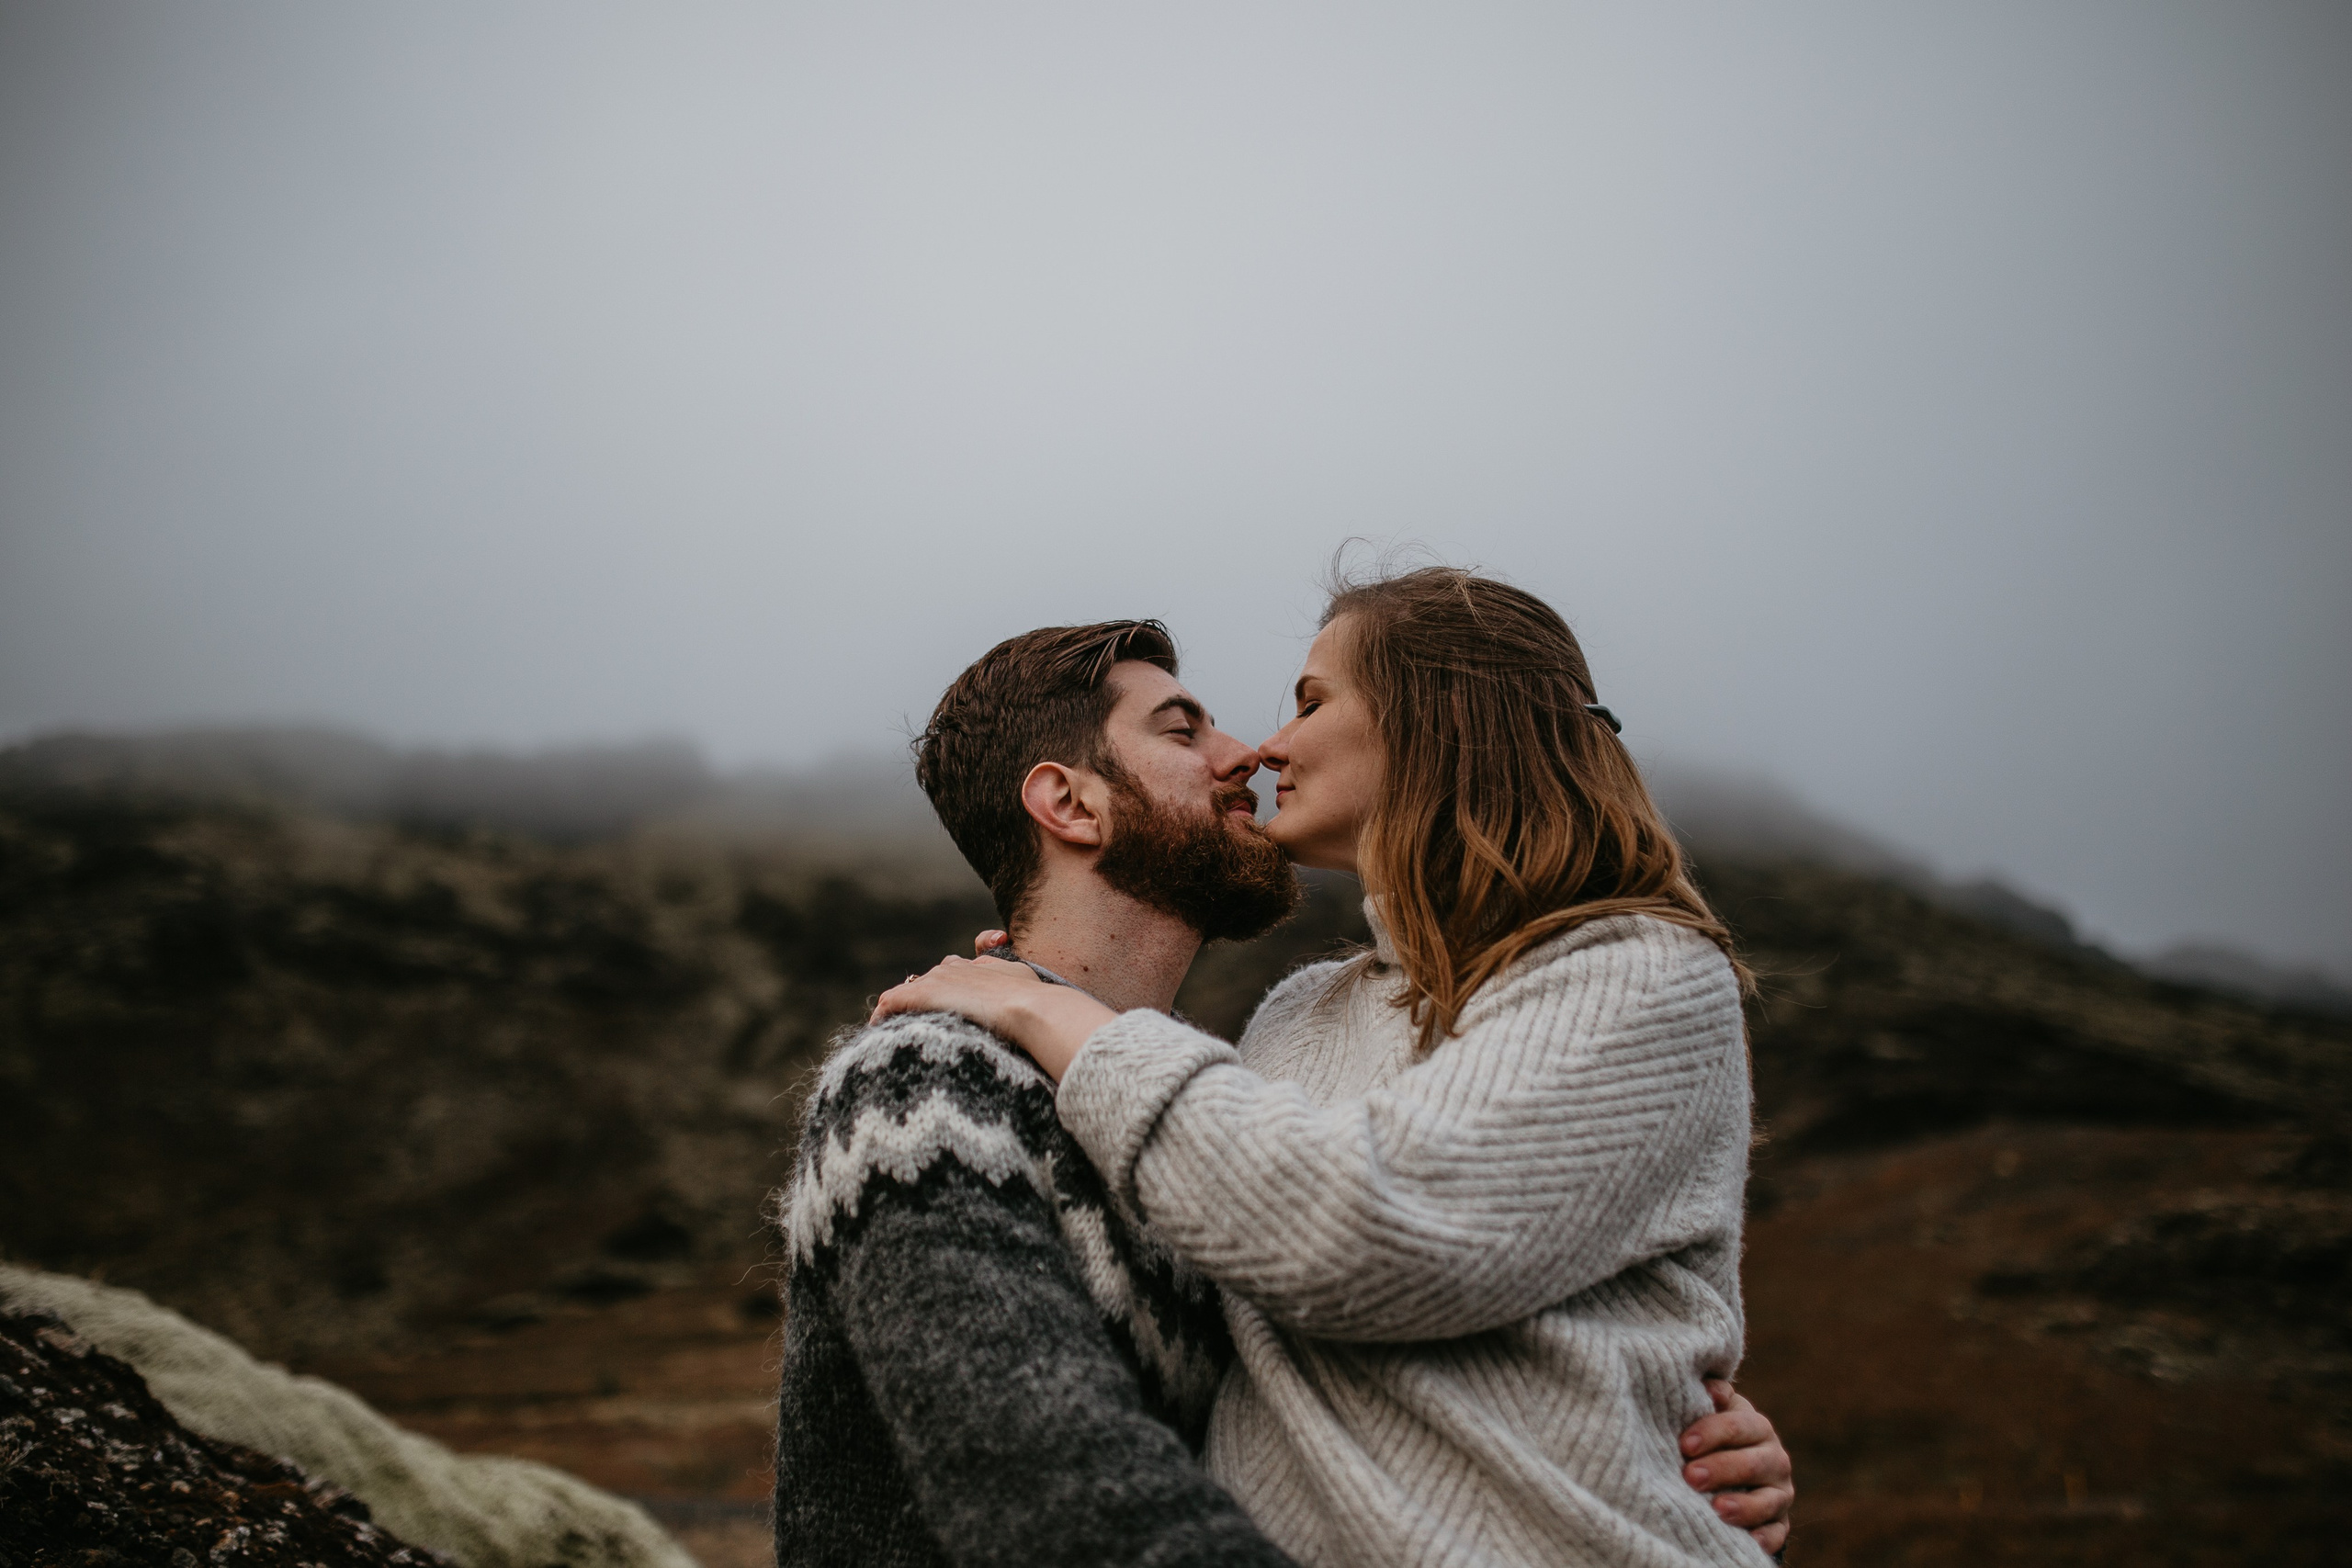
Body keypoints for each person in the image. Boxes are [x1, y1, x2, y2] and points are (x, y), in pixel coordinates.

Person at [775, 611, 1792, 1567]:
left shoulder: (1220, 1081)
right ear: (1070, 803)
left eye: (1300, 708)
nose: (1247, 756)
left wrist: (1645, 1416)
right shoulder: (927, 1083)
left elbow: (1368, 1326)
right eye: (1185, 731)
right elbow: (1057, 1498)